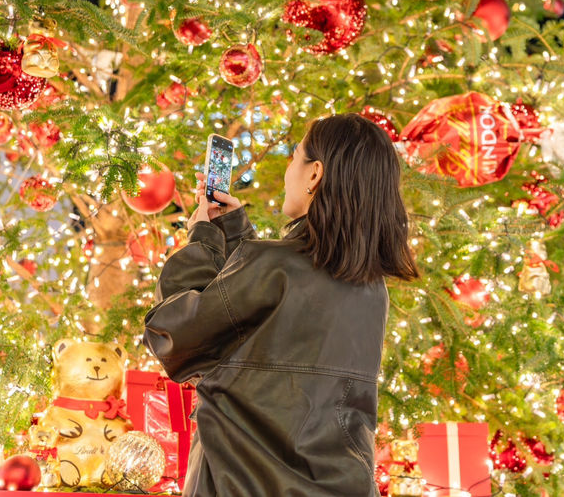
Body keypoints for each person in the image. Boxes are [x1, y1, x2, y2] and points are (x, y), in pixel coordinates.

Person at [143, 112, 418, 497]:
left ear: (314, 174)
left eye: (295, 156)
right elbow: (267, 326)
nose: (289, 170)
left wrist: (203, 241)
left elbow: (172, 336)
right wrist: (237, 234)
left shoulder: (273, 266)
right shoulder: (371, 290)